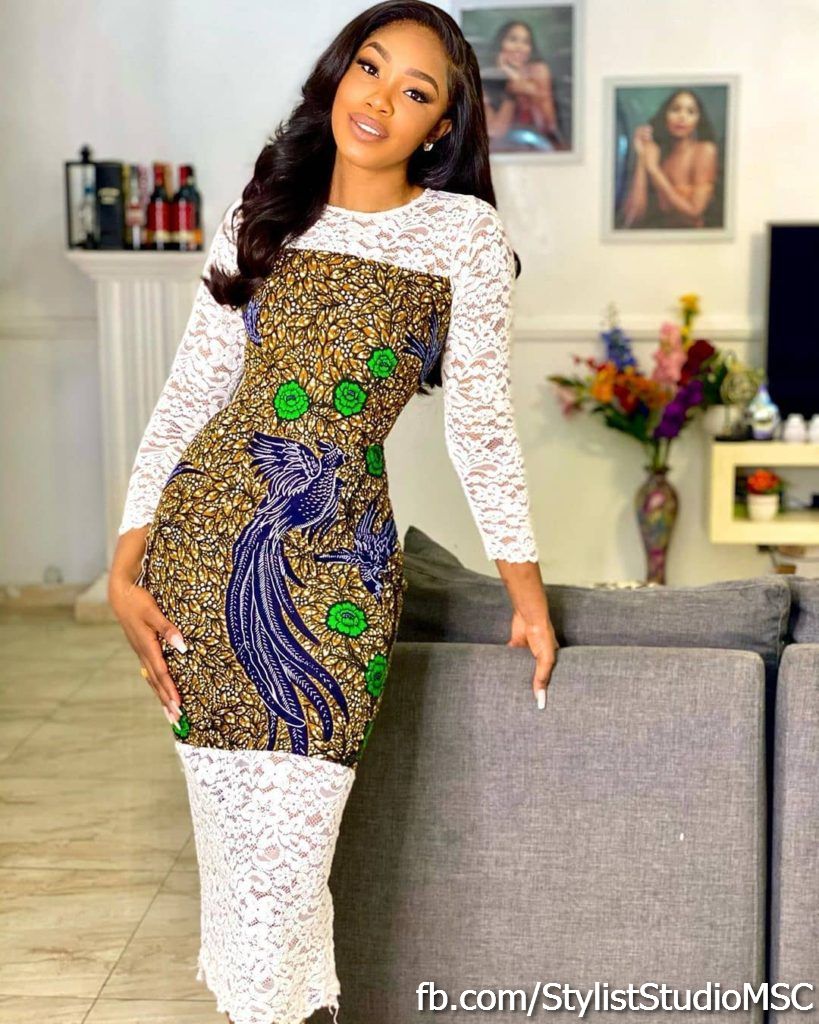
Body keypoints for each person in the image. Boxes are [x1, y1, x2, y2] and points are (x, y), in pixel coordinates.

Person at [108, 2, 559, 1021]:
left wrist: (525, 595)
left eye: (416, 91)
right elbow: (189, 397)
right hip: (201, 561)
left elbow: (480, 428)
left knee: (290, 866)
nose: (381, 98)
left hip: (338, 579)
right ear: (338, 75)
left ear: (441, 127)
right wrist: (124, 564)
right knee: (243, 871)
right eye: (370, 67)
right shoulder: (263, 214)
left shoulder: (463, 237)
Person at [619, 87, 719, 230]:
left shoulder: (704, 150)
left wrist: (654, 171)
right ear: (665, 115)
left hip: (693, 240)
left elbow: (694, 211)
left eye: (691, 112)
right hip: (660, 238)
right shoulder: (660, 155)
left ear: (698, 120)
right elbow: (633, 216)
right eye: (675, 110)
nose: (682, 117)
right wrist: (641, 157)